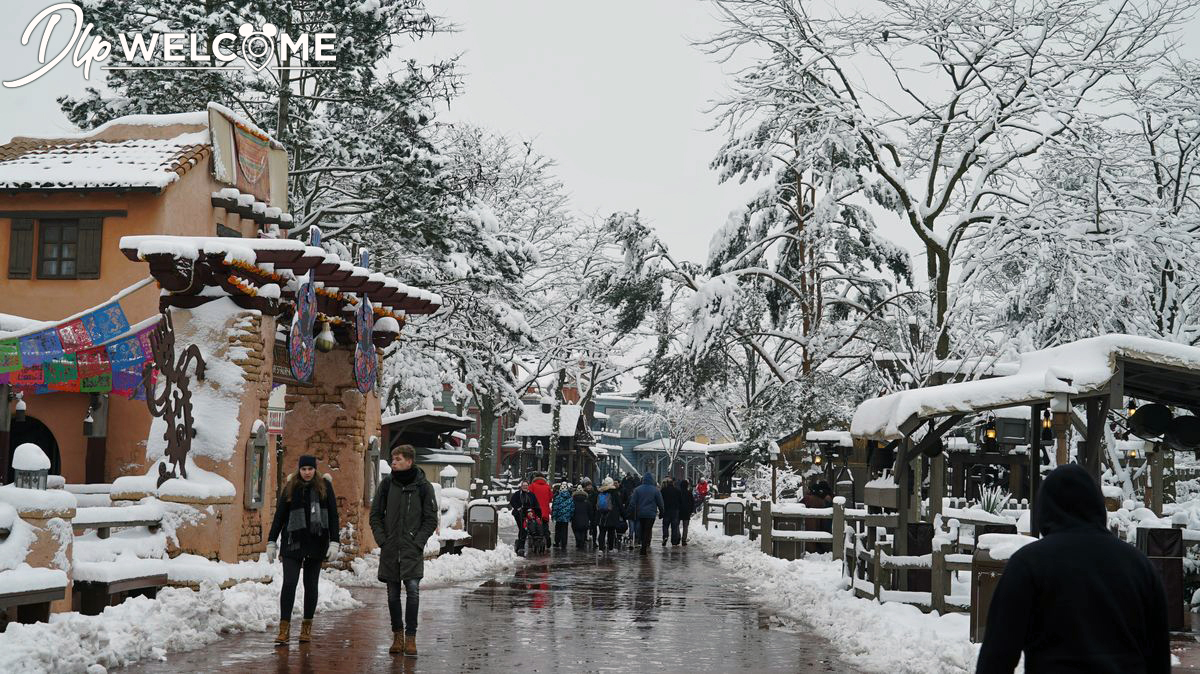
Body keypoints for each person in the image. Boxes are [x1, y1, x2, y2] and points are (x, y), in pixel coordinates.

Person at [975, 464, 1169, 673]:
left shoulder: (1028, 564)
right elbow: (1158, 657)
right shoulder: (1139, 567)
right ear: (1097, 505)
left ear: (1044, 510)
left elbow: (997, 655)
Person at [369, 445, 438, 657]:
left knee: (413, 592)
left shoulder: (423, 487)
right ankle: (397, 636)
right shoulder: (387, 484)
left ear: (409, 461)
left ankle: (411, 638)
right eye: (392, 459)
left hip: (411, 549)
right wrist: (383, 540)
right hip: (391, 548)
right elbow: (375, 515)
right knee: (392, 595)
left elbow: (430, 519)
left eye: (398, 459)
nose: (393, 462)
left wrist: (417, 542)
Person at [267, 455, 339, 646]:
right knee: (289, 583)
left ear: (315, 469)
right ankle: (284, 629)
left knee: (311, 585)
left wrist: (335, 542)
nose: (307, 472)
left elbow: (333, 515)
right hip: (293, 542)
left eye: (310, 469)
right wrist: (271, 541)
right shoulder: (291, 487)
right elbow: (280, 515)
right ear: (299, 470)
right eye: (303, 469)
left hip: (317, 542)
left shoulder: (324, 486)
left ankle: (306, 627)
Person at [628, 472, 665, 555]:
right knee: (648, 530)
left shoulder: (637, 489)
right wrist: (662, 512)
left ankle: (642, 544)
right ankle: (644, 546)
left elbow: (632, 502)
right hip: (651, 514)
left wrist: (630, 511)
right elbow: (660, 502)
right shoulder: (655, 490)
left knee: (642, 528)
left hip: (640, 513)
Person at [508, 480, 541, 555]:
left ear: (528, 486)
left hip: (529, 513)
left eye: (526, 485)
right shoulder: (517, 494)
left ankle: (533, 540)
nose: (525, 487)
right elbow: (512, 502)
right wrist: (518, 508)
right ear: (521, 486)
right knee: (523, 529)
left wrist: (536, 511)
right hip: (519, 513)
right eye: (524, 485)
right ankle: (521, 546)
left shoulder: (532, 495)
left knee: (533, 526)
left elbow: (536, 503)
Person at [595, 477, 624, 552]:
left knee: (602, 532)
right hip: (612, 515)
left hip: (601, 515)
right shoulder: (614, 493)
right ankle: (610, 548)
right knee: (611, 532)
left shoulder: (600, 492)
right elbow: (620, 505)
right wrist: (624, 515)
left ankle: (601, 549)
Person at [529, 472, 554, 543]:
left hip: (535, 510)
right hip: (545, 510)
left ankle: (535, 539)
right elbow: (550, 498)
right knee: (544, 524)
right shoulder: (547, 486)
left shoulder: (532, 486)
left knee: (534, 524)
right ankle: (546, 536)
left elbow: (529, 497)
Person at [550, 483, 574, 550]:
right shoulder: (570, 498)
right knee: (564, 530)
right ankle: (564, 543)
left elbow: (555, 508)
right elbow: (572, 508)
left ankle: (557, 542)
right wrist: (571, 516)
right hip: (566, 518)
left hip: (559, 517)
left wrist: (553, 516)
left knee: (558, 530)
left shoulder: (557, 498)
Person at [660, 477, 682, 546]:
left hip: (666, 510)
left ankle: (665, 536)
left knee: (665, 525)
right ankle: (674, 541)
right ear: (673, 483)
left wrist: (661, 509)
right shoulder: (677, 490)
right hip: (675, 510)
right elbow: (680, 501)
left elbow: (661, 501)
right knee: (674, 526)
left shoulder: (663, 490)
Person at [620, 473, 639, 547]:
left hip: (631, 514)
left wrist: (626, 513)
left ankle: (631, 538)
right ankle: (636, 540)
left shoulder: (629, 497)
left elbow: (627, 505)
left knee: (631, 527)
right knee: (637, 527)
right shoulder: (638, 497)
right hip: (637, 514)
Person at [571, 485, 592, 549]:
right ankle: (582, 543)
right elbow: (590, 511)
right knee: (583, 532)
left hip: (575, 519)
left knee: (576, 531)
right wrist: (590, 518)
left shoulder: (573, 502)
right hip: (585, 519)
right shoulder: (587, 502)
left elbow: (571, 510)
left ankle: (578, 541)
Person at [580, 477, 599, 547]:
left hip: (593, 512)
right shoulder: (583, 494)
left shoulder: (595, 493)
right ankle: (584, 539)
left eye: (590, 485)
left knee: (594, 527)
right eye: (587, 486)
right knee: (585, 526)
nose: (589, 487)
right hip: (585, 513)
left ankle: (594, 541)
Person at [678, 478, 696, 545]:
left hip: (679, 511)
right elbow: (692, 502)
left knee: (677, 525)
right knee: (685, 526)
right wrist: (691, 510)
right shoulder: (689, 493)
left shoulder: (678, 492)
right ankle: (684, 540)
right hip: (687, 512)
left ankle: (678, 536)